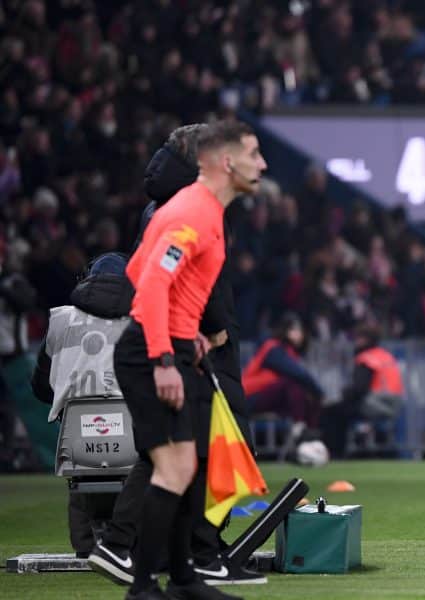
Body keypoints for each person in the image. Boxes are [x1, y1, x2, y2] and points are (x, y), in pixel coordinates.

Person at [88, 124, 264, 587]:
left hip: (177, 344)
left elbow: (139, 269)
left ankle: (180, 574)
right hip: (154, 351)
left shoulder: (192, 209)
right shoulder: (193, 213)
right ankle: (146, 562)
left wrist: (190, 334)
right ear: (222, 162)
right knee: (178, 462)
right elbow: (150, 284)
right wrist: (168, 357)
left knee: (186, 461)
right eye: (252, 154)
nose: (262, 165)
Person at [31, 252, 133, 557]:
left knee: (80, 469)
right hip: (133, 438)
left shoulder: (60, 320)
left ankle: (86, 545)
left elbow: (41, 386)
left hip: (76, 443)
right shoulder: (142, 318)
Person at [321, 324, 403, 458]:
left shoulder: (367, 359)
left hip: (377, 403)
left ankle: (334, 453)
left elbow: (359, 389)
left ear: (364, 339)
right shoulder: (385, 355)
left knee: (333, 412)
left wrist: (342, 397)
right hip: (394, 403)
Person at [243, 312, 324, 433]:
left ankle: (311, 431)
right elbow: (297, 373)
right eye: (294, 330)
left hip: (267, 395)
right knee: (292, 384)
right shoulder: (273, 349)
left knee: (305, 394)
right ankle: (300, 427)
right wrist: (318, 391)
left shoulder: (291, 352)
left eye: (300, 331)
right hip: (250, 396)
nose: (299, 334)